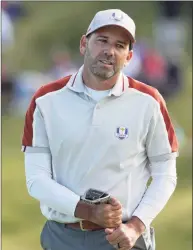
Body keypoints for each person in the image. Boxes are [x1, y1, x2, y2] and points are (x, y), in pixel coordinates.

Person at [21, 9, 179, 250]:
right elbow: (36, 179)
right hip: (62, 237)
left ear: (129, 56)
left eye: (120, 45)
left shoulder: (149, 101)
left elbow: (165, 173)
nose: (109, 51)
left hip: (123, 238)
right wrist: (87, 211)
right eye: (102, 41)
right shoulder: (46, 99)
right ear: (84, 44)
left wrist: (136, 226)